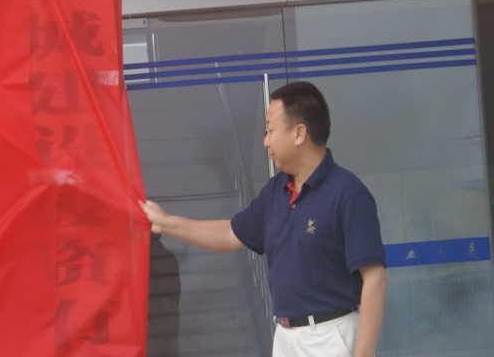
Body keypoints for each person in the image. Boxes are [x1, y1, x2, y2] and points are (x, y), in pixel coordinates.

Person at [140, 81, 387, 357]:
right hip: (285, 337)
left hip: (329, 337)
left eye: (270, 130)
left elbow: (375, 279)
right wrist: (166, 222)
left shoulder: (348, 193)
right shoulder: (275, 191)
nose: (265, 141)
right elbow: (229, 234)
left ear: (299, 133)